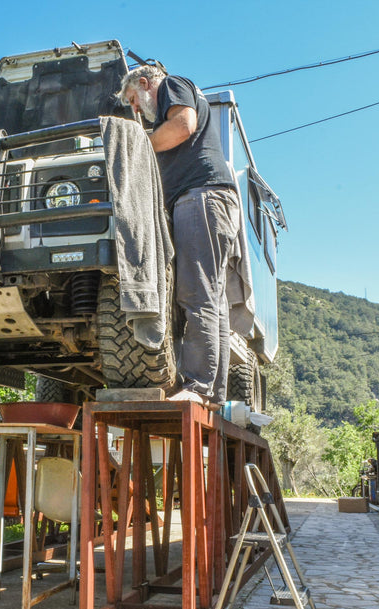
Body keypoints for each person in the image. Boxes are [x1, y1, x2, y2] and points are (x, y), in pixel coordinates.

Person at [119, 65, 240, 409]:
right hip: (210, 200)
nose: (136, 110)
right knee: (212, 300)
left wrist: (137, 146)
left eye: (134, 101)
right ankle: (212, 393)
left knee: (195, 294)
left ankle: (198, 386)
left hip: (200, 197)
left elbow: (183, 125)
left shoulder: (172, 84)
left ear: (144, 84)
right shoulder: (179, 93)